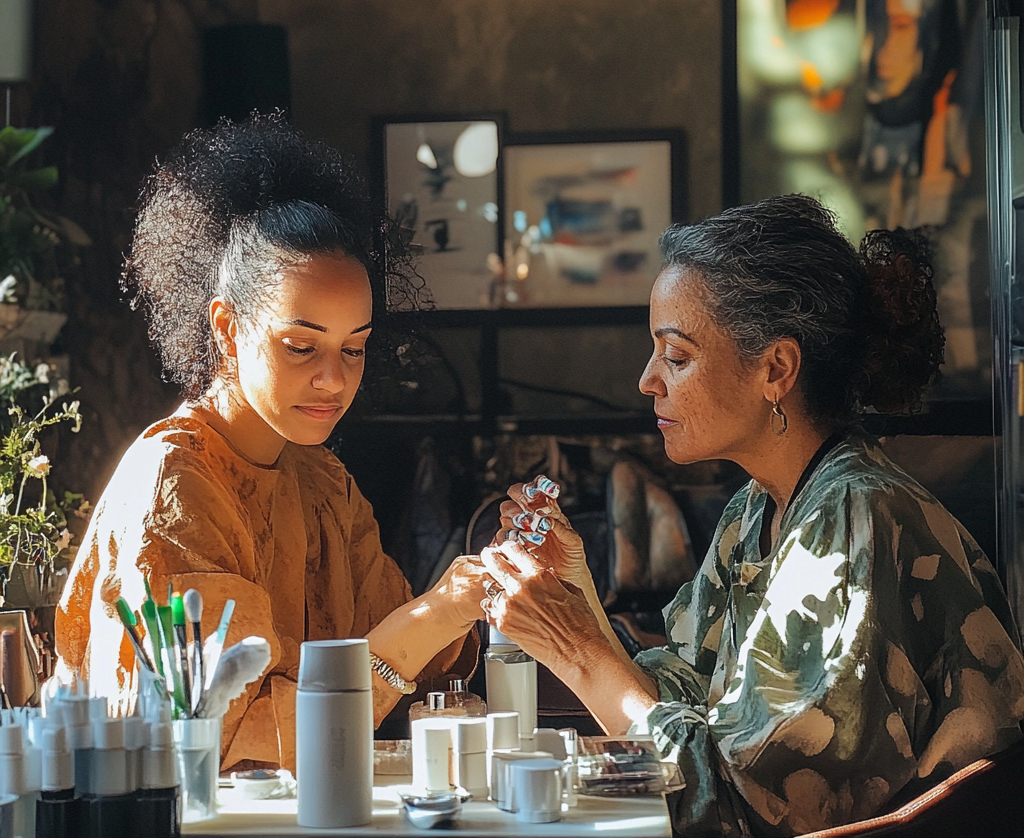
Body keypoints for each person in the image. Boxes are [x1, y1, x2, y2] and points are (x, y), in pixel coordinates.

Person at [480, 195, 1024, 836]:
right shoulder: (759, 509)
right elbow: (685, 705)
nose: (647, 380)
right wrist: (580, 600)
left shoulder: (856, 518)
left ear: (776, 368)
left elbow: (745, 809)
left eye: (676, 356)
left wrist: (574, 646)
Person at [55, 114, 487, 771]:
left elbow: (408, 663)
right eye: (301, 346)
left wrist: (483, 593)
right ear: (226, 329)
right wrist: (433, 618)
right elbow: (221, 740)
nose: (333, 379)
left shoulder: (324, 481)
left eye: (355, 348)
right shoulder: (171, 486)